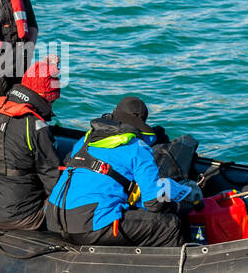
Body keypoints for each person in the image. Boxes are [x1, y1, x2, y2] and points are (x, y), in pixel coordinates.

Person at [44, 96, 183, 247]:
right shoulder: (138, 147)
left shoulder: (86, 139)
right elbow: (153, 203)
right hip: (88, 224)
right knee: (170, 226)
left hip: (54, 218)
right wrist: (173, 193)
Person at [0, 58, 63, 231]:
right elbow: (53, 181)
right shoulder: (36, 127)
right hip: (23, 218)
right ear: (46, 97)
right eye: (52, 100)